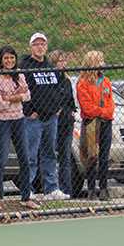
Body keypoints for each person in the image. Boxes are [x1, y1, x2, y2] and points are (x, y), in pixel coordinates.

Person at [0, 47, 38, 211]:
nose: (9, 61)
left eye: (12, 58)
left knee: (24, 157)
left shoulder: (19, 75)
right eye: (6, 58)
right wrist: (16, 96)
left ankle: (26, 197)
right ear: (1, 60)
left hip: (18, 119)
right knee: (2, 159)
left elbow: (28, 96)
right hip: (2, 122)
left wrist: (9, 97)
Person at [20, 33, 68, 200]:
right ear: (31, 47)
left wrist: (58, 107)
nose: (39, 47)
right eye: (36, 44)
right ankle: (28, 189)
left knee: (50, 153)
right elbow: (21, 90)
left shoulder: (50, 66)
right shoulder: (25, 66)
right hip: (33, 119)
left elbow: (61, 87)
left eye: (42, 44)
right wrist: (28, 111)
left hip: (51, 118)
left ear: (46, 47)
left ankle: (51, 188)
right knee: (30, 155)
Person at [76, 50, 114, 201]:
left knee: (104, 156)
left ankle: (104, 188)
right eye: (99, 61)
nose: (102, 64)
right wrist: (101, 111)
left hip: (106, 123)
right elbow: (87, 108)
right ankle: (91, 189)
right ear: (92, 64)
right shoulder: (83, 83)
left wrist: (105, 113)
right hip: (91, 123)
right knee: (92, 156)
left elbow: (111, 104)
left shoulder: (105, 81)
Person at [49, 49, 76, 197]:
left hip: (67, 122)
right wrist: (55, 109)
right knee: (52, 155)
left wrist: (72, 110)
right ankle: (53, 188)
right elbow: (51, 98)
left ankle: (67, 190)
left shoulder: (66, 80)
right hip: (54, 122)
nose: (63, 64)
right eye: (60, 61)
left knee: (65, 157)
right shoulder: (51, 79)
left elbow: (70, 99)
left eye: (64, 61)